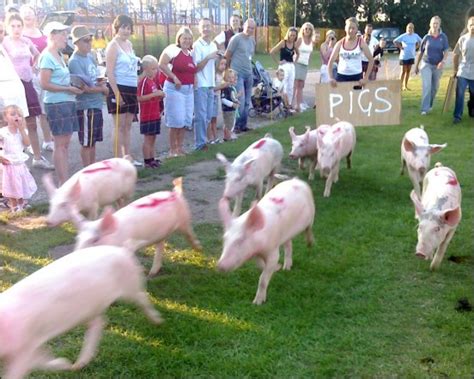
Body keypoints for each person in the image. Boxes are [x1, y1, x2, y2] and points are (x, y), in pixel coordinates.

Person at [3, 13, 54, 170]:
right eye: (13, 26)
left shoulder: (26, 41)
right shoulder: (4, 43)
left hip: (28, 82)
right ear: (7, 27)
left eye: (19, 26)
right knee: (12, 124)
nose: (17, 29)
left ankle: (37, 157)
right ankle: (15, 163)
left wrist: (33, 68)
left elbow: (38, 54)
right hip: (12, 86)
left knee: (32, 123)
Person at [39, 21, 83, 185]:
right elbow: (44, 84)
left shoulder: (58, 55)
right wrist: (68, 89)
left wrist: (71, 89)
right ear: (52, 35)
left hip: (66, 102)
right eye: (63, 34)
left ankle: (64, 181)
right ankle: (62, 183)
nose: (67, 37)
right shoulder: (47, 56)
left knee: (65, 144)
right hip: (57, 104)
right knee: (60, 145)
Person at [68, 25, 109, 167]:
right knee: (86, 142)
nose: (89, 43)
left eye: (90, 40)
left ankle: (93, 167)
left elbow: (93, 78)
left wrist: (101, 81)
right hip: (86, 106)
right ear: (76, 43)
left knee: (93, 141)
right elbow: (83, 87)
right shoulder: (74, 61)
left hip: (96, 104)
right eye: (85, 40)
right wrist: (102, 89)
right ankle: (87, 170)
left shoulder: (90, 57)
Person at [105, 15, 140, 164]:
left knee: (128, 125)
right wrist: (117, 94)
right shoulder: (113, 46)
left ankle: (128, 157)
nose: (126, 30)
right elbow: (110, 72)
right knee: (119, 125)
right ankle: (117, 160)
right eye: (123, 27)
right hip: (118, 87)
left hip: (131, 87)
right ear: (116, 28)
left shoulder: (129, 44)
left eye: (128, 27)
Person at [20, 4, 54, 153]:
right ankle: (32, 143)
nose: (28, 15)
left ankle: (48, 140)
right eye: (24, 13)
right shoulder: (18, 34)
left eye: (30, 12)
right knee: (31, 112)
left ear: (35, 15)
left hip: (44, 74)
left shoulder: (42, 33)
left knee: (44, 109)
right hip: (27, 76)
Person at [158, 26, 197, 157]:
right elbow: (161, 64)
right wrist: (174, 77)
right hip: (175, 90)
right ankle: (172, 149)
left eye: (189, 39)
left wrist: (194, 80)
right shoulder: (173, 50)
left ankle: (180, 148)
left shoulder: (191, 53)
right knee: (176, 120)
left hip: (189, 90)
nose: (187, 41)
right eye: (184, 38)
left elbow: (193, 70)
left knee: (185, 121)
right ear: (179, 39)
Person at [0, 105, 37, 212]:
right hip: (8, 162)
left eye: (19, 115)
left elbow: (27, 143)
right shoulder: (3, 132)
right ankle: (14, 205)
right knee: (10, 184)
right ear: (6, 118)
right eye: (13, 114)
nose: (17, 116)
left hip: (19, 163)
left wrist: (21, 130)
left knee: (20, 183)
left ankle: (22, 203)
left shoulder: (22, 131)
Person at [224, 18, 256, 133]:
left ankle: (243, 124)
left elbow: (250, 56)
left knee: (247, 101)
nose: (250, 30)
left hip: (249, 74)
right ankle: (236, 126)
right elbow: (227, 55)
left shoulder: (252, 41)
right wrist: (227, 71)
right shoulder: (236, 38)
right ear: (244, 26)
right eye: (249, 27)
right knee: (240, 100)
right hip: (237, 74)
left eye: (252, 28)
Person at [192, 18, 220, 152]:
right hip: (201, 84)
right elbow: (196, 67)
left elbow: (214, 66)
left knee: (209, 115)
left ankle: (204, 140)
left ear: (212, 27)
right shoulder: (197, 46)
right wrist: (208, 57)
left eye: (208, 26)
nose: (206, 29)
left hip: (210, 84)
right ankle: (200, 143)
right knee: (201, 115)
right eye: (203, 26)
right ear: (199, 29)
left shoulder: (213, 45)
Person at [414, 16, 449, 115]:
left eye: (437, 23)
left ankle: (429, 105)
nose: (435, 25)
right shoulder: (426, 37)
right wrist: (416, 66)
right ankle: (424, 109)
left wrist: (443, 61)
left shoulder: (443, 37)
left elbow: (446, 50)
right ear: (430, 24)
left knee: (434, 88)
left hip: (438, 66)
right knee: (427, 86)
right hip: (426, 64)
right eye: (433, 23)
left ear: (439, 25)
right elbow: (420, 52)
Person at [327, 17, 374, 87]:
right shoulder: (339, 43)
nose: (351, 30)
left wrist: (366, 78)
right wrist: (331, 78)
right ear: (345, 28)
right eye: (349, 28)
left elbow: (371, 59)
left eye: (353, 28)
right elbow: (330, 62)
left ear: (356, 30)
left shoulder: (361, 42)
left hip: (357, 77)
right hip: (342, 76)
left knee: (356, 97)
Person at [137, 55, 164, 168]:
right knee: (148, 138)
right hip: (147, 115)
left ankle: (152, 158)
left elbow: (155, 96)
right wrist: (155, 94)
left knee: (153, 137)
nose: (156, 71)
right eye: (153, 68)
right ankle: (147, 160)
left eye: (156, 68)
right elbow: (139, 98)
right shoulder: (144, 82)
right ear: (146, 69)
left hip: (155, 113)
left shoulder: (153, 81)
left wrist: (160, 96)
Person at [0, 21, 28, 122]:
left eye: (1, 32)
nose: (0, 35)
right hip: (4, 104)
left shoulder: (2, 47)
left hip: (15, 102)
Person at [270, 27, 299, 111]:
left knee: (290, 86)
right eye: (291, 35)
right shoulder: (283, 42)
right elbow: (272, 52)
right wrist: (278, 62)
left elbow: (298, 53)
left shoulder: (294, 44)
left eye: (294, 35)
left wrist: (295, 61)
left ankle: (289, 104)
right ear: (288, 35)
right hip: (284, 66)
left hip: (291, 66)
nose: (292, 37)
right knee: (283, 85)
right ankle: (283, 104)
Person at [452, 16, 474, 124]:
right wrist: (455, 70)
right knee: (460, 94)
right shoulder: (463, 39)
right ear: (468, 26)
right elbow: (455, 54)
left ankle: (472, 109)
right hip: (463, 71)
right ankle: (457, 116)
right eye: (471, 25)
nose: (473, 27)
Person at [292, 22, 316, 111]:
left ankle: (298, 105)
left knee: (301, 85)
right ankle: (292, 104)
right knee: (295, 84)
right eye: (306, 28)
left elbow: (310, 54)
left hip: (305, 65)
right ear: (303, 29)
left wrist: (308, 62)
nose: (307, 30)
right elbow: (293, 50)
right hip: (297, 63)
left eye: (309, 29)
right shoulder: (299, 40)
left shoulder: (311, 42)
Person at [394, 23, 422, 91]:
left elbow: (421, 41)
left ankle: (405, 86)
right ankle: (399, 86)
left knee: (408, 71)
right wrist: (400, 47)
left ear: (413, 29)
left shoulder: (415, 36)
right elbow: (395, 41)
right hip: (404, 56)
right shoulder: (404, 36)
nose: (410, 29)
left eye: (412, 28)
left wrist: (417, 47)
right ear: (407, 28)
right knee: (403, 71)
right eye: (409, 28)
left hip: (411, 56)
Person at [209, 55, 229, 143]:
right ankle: (210, 138)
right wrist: (222, 86)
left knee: (215, 119)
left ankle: (215, 137)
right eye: (221, 64)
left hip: (217, 97)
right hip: (212, 97)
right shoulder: (214, 75)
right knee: (211, 119)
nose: (223, 66)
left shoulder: (221, 75)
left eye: (225, 64)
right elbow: (212, 89)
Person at [220, 69, 240, 142]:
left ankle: (226, 136)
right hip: (228, 109)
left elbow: (232, 97)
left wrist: (236, 100)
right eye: (229, 77)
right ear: (225, 78)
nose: (231, 79)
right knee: (229, 124)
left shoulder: (231, 87)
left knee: (229, 123)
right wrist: (232, 104)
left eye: (232, 77)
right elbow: (223, 99)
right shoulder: (226, 88)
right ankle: (228, 138)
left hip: (231, 109)